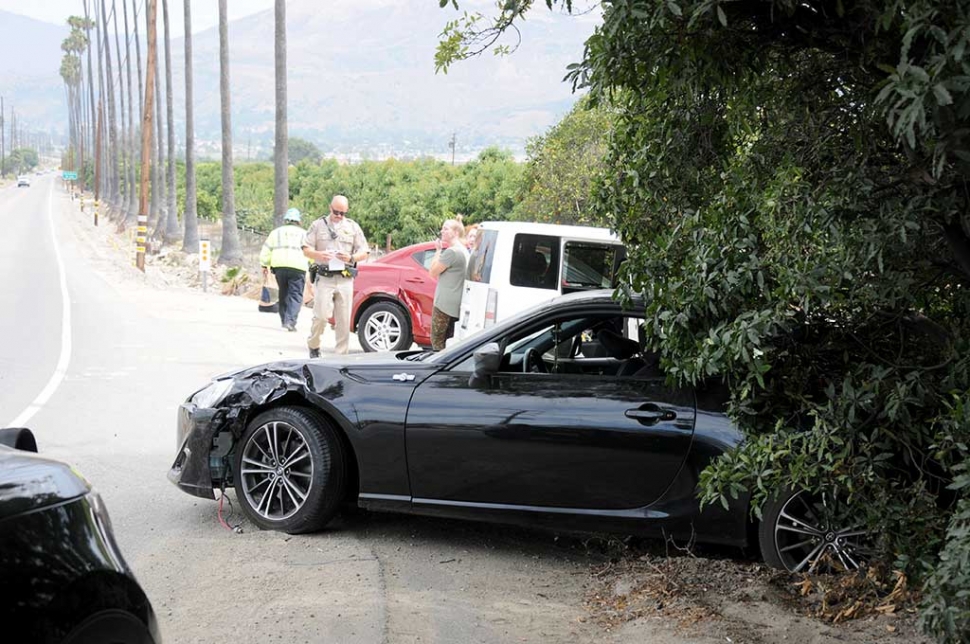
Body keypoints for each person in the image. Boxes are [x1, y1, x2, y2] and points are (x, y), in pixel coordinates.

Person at [302, 195, 369, 357]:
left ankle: (341, 356)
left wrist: (351, 258)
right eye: (336, 212)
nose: (339, 216)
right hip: (325, 277)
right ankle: (314, 344)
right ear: (329, 207)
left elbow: (364, 251)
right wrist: (318, 254)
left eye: (342, 213)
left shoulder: (352, 227)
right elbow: (305, 248)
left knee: (344, 320)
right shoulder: (318, 225)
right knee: (321, 316)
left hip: (345, 277)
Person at [259, 207, 308, 332]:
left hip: (279, 267)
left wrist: (265, 264)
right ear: (299, 221)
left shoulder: (276, 232)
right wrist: (312, 266)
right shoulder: (304, 234)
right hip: (298, 268)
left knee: (283, 293)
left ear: (286, 220)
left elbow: (267, 249)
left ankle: (284, 320)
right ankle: (290, 322)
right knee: (295, 295)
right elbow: (310, 252)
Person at [429, 219, 468, 350]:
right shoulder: (464, 251)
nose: (442, 231)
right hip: (456, 304)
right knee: (450, 342)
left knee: (437, 341)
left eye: (446, 229)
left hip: (444, 305)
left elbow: (433, 272)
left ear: (455, 232)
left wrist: (438, 251)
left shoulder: (451, 252)